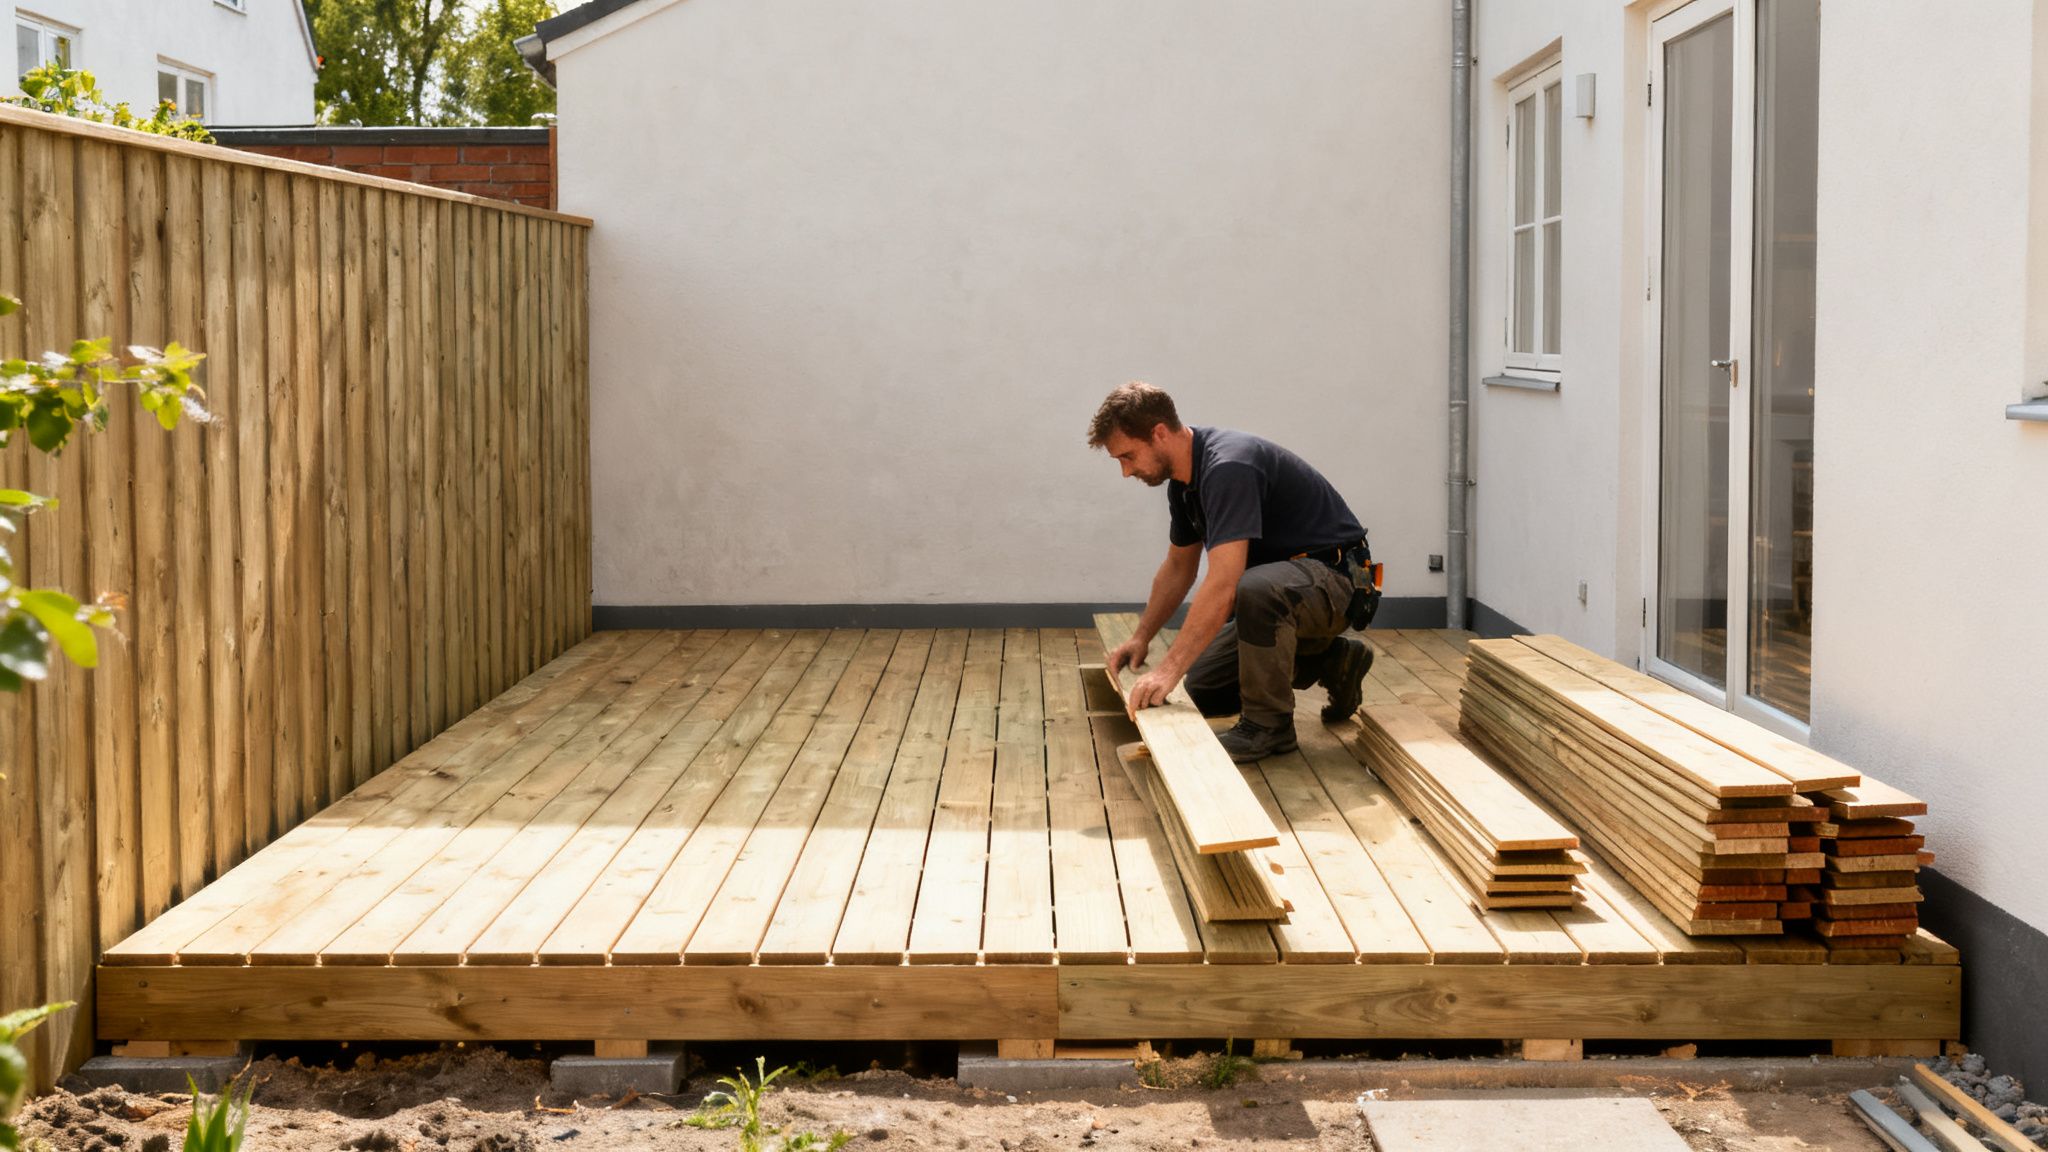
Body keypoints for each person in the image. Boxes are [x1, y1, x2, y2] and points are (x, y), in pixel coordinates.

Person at [1090, 381, 1378, 763]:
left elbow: (1224, 583)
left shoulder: (1228, 467)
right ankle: (1332, 661)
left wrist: (1167, 670)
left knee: (1253, 588)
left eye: (1128, 456)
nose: (1126, 471)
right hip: (1286, 592)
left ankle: (1269, 727)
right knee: (1204, 689)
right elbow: (1178, 568)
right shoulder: (1185, 485)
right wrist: (1141, 637)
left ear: (1158, 433)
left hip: (1341, 580)